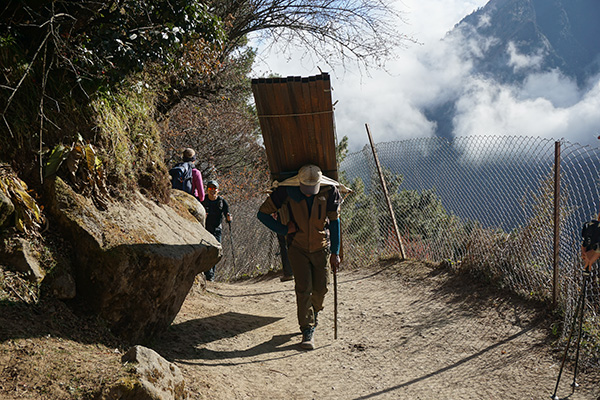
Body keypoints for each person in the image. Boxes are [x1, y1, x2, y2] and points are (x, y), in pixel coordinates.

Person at [257, 164, 341, 350]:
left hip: (321, 248)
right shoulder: (286, 191)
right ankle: (307, 331)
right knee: (304, 290)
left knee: (321, 289)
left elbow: (335, 222)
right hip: (297, 248)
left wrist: (335, 252)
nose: (309, 193)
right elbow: (262, 214)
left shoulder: (329, 191)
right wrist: (284, 229)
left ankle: (313, 313)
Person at [201, 179, 232, 281]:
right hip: (205, 230)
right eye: (210, 188)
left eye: (214, 188)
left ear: (218, 190)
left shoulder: (222, 202)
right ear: (207, 189)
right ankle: (207, 273)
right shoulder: (203, 200)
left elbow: (227, 215)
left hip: (217, 230)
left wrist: (229, 219)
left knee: (215, 252)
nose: (212, 190)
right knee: (206, 250)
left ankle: (211, 275)